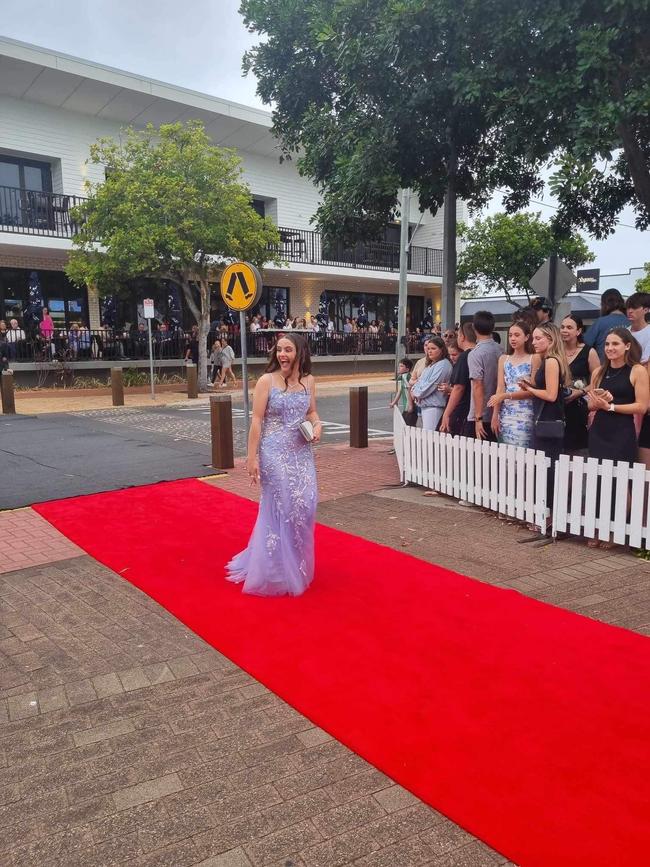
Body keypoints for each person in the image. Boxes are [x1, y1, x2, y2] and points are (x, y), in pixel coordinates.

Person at [226, 333, 321, 596]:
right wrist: (252, 457)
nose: (282, 355)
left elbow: (311, 412)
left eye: (288, 350)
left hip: (301, 453)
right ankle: (276, 568)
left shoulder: (309, 381)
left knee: (307, 503)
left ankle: (295, 561)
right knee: (285, 505)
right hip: (273, 452)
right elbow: (257, 420)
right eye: (279, 350)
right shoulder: (267, 381)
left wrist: (317, 425)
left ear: (300, 353)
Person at [520, 323, 570, 523]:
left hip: (548, 420)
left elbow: (551, 395)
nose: (534, 342)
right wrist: (530, 385)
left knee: (548, 468)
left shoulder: (551, 361)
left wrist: (530, 389)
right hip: (546, 418)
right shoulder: (548, 360)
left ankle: (549, 515)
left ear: (551, 339)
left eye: (539, 338)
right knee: (545, 467)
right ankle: (546, 513)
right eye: (533, 338)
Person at [587, 328, 648, 465]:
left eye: (615, 344)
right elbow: (590, 405)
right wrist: (600, 401)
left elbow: (642, 406)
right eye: (607, 344)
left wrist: (611, 406)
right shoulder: (598, 372)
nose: (609, 348)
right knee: (598, 478)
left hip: (622, 431)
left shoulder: (637, 370)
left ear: (627, 346)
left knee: (622, 478)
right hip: (599, 430)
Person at [488, 320, 538, 448]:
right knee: (505, 452)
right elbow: (500, 387)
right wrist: (495, 414)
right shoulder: (504, 359)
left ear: (527, 337)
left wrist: (506, 396)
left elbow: (533, 390)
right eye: (510, 335)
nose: (513, 338)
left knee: (523, 453)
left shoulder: (534, 358)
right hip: (505, 412)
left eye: (517, 335)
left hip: (525, 411)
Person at [560, 314, 600, 453]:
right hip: (559, 407)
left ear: (578, 331)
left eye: (569, 327)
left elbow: (597, 381)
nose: (565, 330)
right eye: (563, 327)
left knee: (577, 451)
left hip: (579, 407)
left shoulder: (589, 352)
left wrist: (581, 391)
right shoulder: (556, 352)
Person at [466, 310, 503, 440]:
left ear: (474, 328)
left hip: (481, 414)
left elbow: (477, 385)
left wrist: (478, 418)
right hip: (499, 412)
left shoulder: (475, 354)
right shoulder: (501, 350)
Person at [440, 322, 476, 435]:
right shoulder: (478, 353)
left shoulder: (465, 356)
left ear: (462, 337)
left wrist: (447, 413)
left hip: (463, 408)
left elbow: (459, 388)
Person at [410, 337, 452, 431]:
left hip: (434, 407)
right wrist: (414, 390)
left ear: (441, 349)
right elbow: (418, 381)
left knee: (431, 438)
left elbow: (429, 386)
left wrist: (416, 393)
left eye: (433, 348)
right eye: (428, 349)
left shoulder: (443, 365)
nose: (430, 351)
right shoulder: (430, 365)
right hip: (424, 406)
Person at [584, 288, 630, 361]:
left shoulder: (600, 322)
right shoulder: (630, 322)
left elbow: (585, 344)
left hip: (604, 366)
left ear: (605, 304)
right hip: (626, 366)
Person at [625, 292, 650, 364]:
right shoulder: (625, 332)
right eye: (628, 308)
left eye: (634, 307)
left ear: (646, 310)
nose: (630, 311)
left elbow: (645, 361)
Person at [390, 357, 415, 425]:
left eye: (401, 366)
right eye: (399, 365)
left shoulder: (407, 377)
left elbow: (410, 389)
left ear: (407, 369)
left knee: (409, 426)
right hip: (406, 407)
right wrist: (394, 402)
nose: (399, 367)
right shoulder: (402, 377)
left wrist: (410, 405)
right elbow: (400, 390)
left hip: (409, 406)